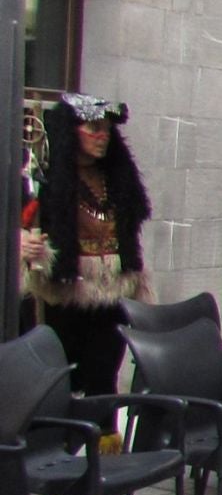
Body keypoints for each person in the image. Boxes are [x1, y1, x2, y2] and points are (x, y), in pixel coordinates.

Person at [20, 94, 152, 408]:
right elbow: (18, 222)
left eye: (106, 129)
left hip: (112, 295)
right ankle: (53, 449)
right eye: (93, 128)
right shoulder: (42, 177)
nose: (102, 136)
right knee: (55, 381)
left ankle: (103, 449)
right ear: (71, 131)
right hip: (63, 294)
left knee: (104, 379)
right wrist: (21, 240)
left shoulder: (117, 178)